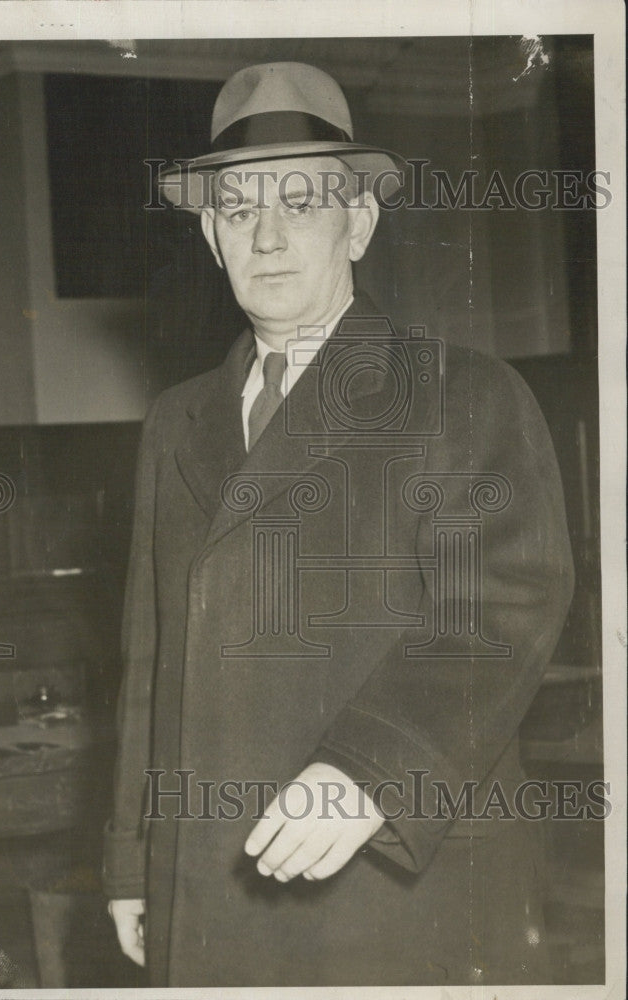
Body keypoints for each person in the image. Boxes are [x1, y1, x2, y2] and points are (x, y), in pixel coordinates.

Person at [103, 62, 574, 987]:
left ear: (358, 221)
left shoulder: (461, 391)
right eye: (239, 211)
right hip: (206, 876)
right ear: (209, 236)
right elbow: (148, 663)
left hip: (394, 883)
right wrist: (131, 858)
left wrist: (371, 770)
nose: (268, 236)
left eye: (303, 203)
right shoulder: (176, 421)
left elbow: (503, 606)